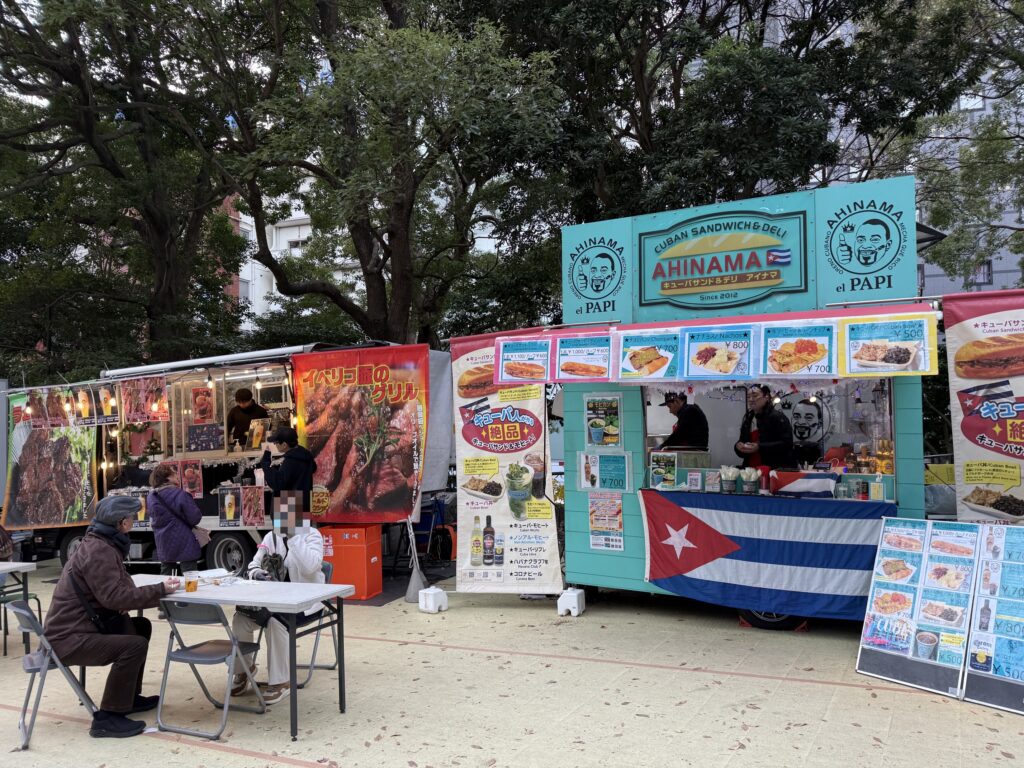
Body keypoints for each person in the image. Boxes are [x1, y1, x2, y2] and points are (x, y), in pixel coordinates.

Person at [44, 496, 179, 738]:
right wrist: (160, 590)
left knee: (140, 627)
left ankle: (128, 697)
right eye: (132, 517)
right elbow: (115, 598)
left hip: (78, 628)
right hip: (68, 639)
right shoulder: (99, 550)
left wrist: (150, 590)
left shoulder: (99, 543)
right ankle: (108, 718)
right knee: (134, 646)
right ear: (122, 522)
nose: (134, 521)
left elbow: (116, 589)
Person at [230, 503, 325, 704]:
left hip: (306, 602)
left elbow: (311, 567)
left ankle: (281, 681)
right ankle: (244, 670)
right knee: (241, 619)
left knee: (276, 621)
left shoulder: (312, 535)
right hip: (273, 601)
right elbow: (254, 564)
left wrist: (294, 538)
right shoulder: (270, 538)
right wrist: (258, 573)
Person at [148, 463, 203, 575]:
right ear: (168, 478)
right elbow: (195, 518)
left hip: (163, 541)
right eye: (174, 475)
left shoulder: (151, 497)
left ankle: (167, 592)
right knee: (190, 577)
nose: (178, 477)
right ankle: (192, 593)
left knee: (167, 576)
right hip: (184, 541)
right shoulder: (180, 494)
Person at [734, 384, 795, 470]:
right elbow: (743, 442)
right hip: (751, 469)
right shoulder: (748, 418)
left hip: (773, 469)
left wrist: (759, 447)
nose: (751, 399)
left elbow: (787, 444)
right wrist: (738, 447)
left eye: (755, 396)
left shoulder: (777, 417)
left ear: (766, 397)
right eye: (748, 397)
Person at [259, 426, 317, 510]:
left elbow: (278, 483)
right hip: (304, 505)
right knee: (302, 523)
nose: (275, 445)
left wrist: (265, 463)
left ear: (284, 444)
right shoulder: (305, 455)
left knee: (291, 523)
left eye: (276, 442)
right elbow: (313, 468)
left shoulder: (291, 461)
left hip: (291, 507)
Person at [792, 398, 825, 467]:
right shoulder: (789, 442)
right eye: (796, 416)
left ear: (820, 423)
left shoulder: (819, 444)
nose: (801, 422)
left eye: (809, 417)